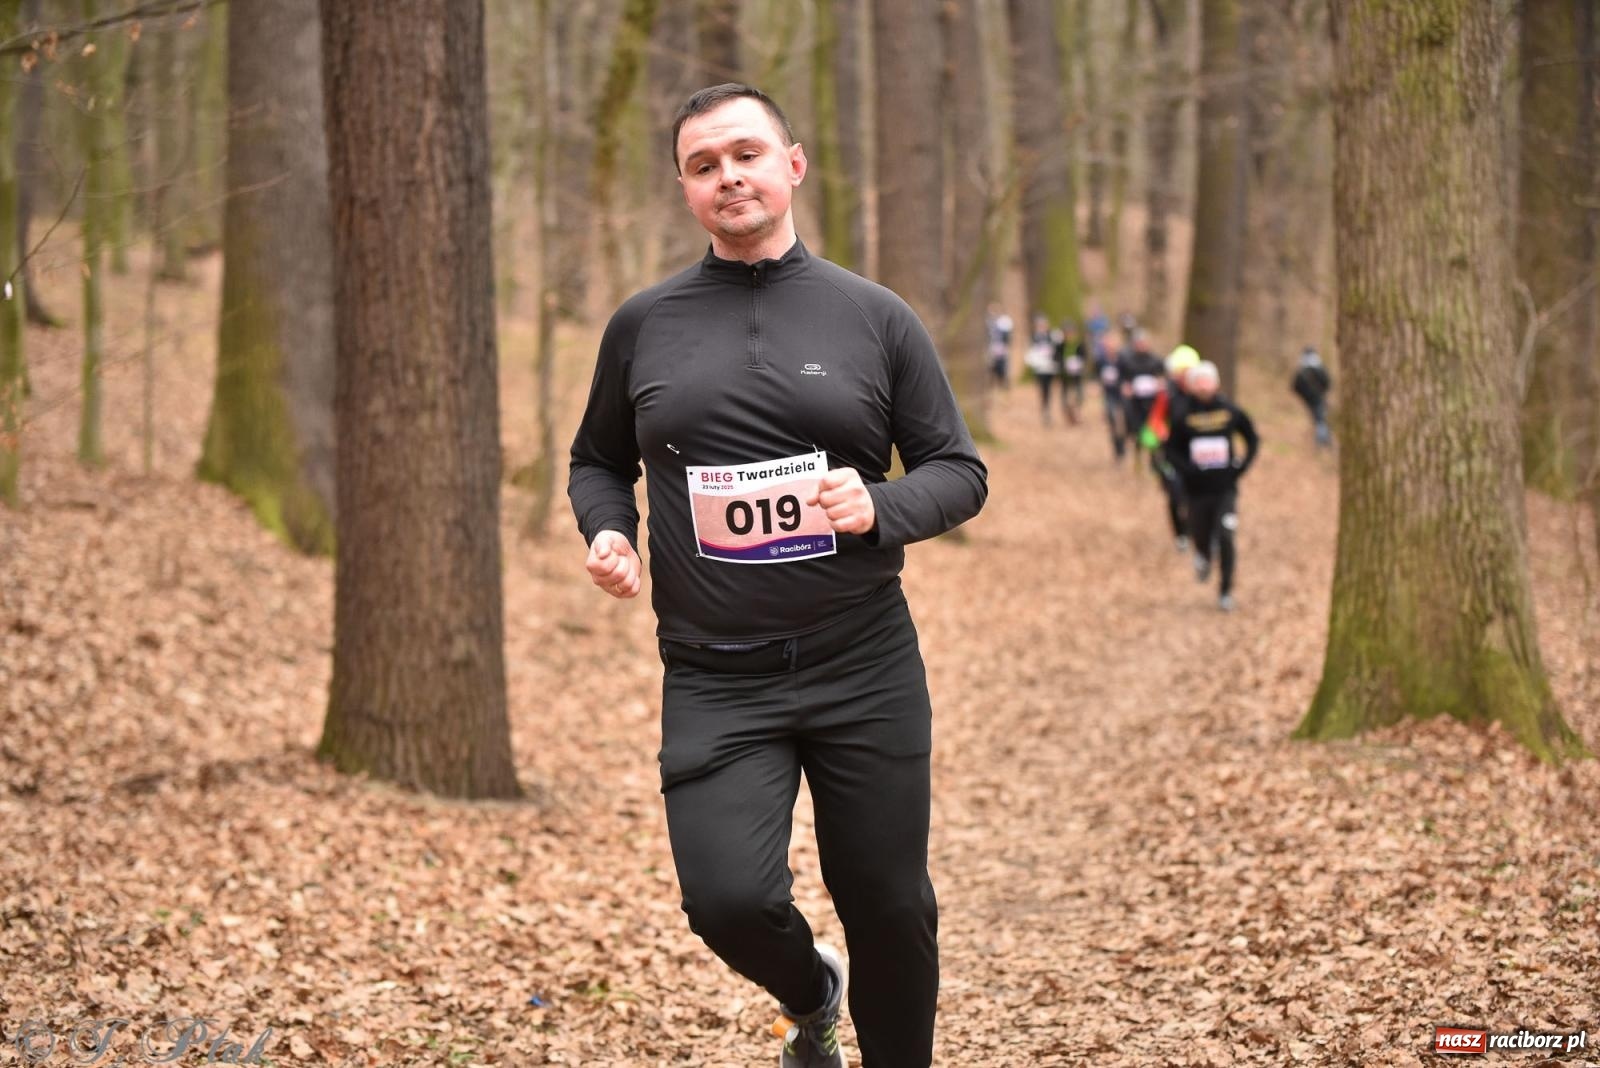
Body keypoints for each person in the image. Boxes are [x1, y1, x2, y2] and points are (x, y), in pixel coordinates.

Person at [567, 83, 988, 1068]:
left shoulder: (875, 318)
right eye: (704, 165)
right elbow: (596, 458)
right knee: (725, 901)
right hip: (716, 675)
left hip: (862, 664)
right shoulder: (644, 325)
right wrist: (608, 531)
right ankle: (812, 993)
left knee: (889, 903)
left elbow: (958, 472)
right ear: (685, 188)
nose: (729, 177)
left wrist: (879, 507)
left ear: (791, 165)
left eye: (746, 155)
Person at [1165, 360, 1259, 612]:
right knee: (1202, 534)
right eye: (1200, 383)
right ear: (1192, 386)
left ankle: (1225, 590)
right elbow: (1170, 449)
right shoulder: (1183, 413)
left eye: (1209, 382)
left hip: (1225, 488)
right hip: (1196, 490)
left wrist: (1240, 467)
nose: (1205, 387)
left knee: (1226, 535)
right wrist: (1188, 471)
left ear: (1216, 383)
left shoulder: (1229, 410)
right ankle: (1204, 557)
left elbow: (1252, 438)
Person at [1147, 344, 1200, 550]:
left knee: (1195, 496)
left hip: (1195, 455)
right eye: (1182, 372)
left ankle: (1195, 529)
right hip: (1170, 454)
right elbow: (1155, 421)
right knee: (1175, 496)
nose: (1185, 376)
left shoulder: (1200, 395)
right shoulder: (1167, 395)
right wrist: (1162, 434)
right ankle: (1181, 534)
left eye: (1189, 371)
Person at [1290, 346, 1333, 449]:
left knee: (1319, 419)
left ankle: (1323, 442)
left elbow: (1295, 387)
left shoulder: (1302, 370)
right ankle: (1322, 443)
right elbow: (1327, 383)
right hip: (1318, 399)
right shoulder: (1319, 368)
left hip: (1310, 400)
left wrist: (1306, 396)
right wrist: (1321, 393)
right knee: (1320, 420)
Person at [1094, 333, 1127, 461]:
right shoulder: (1101, 361)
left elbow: (1128, 374)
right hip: (1109, 395)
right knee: (1112, 421)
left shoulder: (1123, 359)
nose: (1110, 347)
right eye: (1107, 345)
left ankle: (1123, 445)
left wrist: (1125, 384)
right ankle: (1117, 449)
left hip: (1121, 395)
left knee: (1123, 423)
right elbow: (1097, 375)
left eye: (1112, 344)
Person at [1025, 314, 1060, 426]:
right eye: (1040, 325)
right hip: (1040, 369)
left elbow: (1057, 350)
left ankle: (1047, 409)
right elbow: (1030, 353)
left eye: (1043, 325)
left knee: (1048, 389)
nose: (1042, 327)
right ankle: (1044, 408)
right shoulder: (1034, 337)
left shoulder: (1052, 336)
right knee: (1042, 389)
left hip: (1050, 368)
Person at [1058, 319, 1086, 425]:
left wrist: (1078, 364)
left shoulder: (1079, 344)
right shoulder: (1061, 345)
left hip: (1077, 375)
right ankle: (1069, 415)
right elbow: (1057, 357)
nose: (1069, 334)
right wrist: (1063, 365)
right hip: (1065, 376)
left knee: (1079, 396)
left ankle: (1077, 414)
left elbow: (1083, 357)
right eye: (1067, 332)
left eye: (1071, 331)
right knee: (1065, 397)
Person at [984, 304, 1013, 388]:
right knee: (991, 366)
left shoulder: (1003, 322)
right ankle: (992, 385)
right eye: (991, 312)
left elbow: (1007, 336)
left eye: (994, 311)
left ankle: (1004, 383)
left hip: (1001, 347)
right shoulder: (988, 322)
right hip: (992, 347)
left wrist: (1005, 345)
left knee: (1003, 366)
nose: (992, 313)